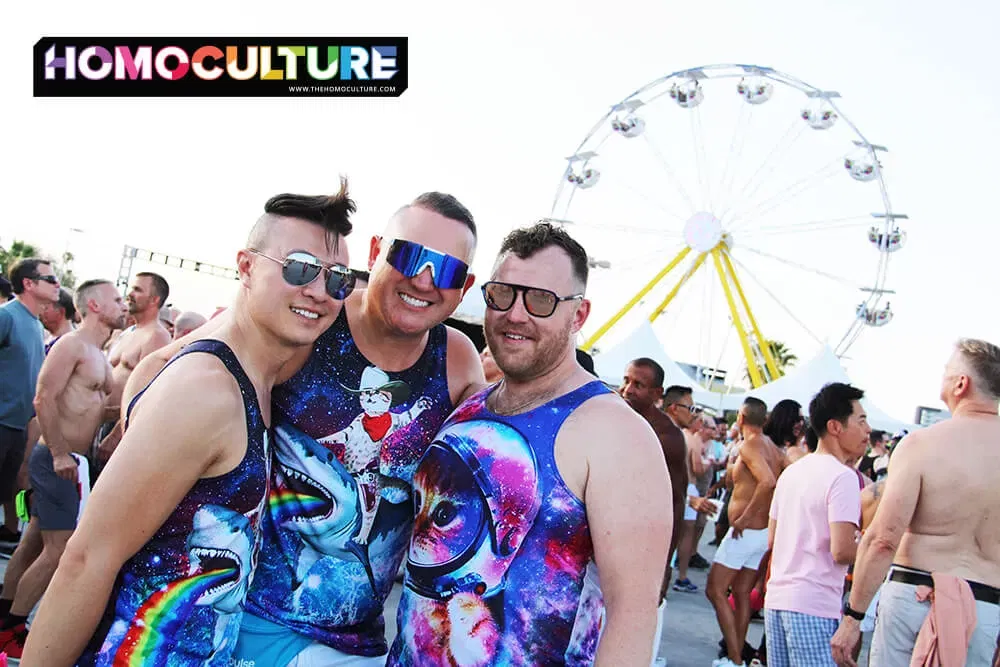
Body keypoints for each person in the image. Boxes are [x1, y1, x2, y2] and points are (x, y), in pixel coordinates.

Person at [126, 192, 486, 665]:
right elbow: (164, 363)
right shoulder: (317, 316)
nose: (423, 279)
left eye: (447, 270)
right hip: (248, 621)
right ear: (377, 252)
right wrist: (137, 459)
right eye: (410, 255)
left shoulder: (457, 361)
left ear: (465, 285)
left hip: (359, 637)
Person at [20, 183, 359, 666]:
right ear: (245, 267)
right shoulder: (206, 391)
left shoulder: (257, 373)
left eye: (338, 279)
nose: (319, 292)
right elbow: (85, 560)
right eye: (299, 268)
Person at [388, 221, 672, 666]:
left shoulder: (617, 434)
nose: (515, 314)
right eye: (503, 293)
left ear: (578, 314)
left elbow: (633, 615)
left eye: (541, 300)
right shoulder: (468, 408)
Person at [832, 339, 1000, 667]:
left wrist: (853, 618)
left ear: (961, 384)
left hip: (913, 596)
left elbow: (883, 538)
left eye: (946, 371)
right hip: (984, 608)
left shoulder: (922, 445)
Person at [0, 280, 127, 658]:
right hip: (57, 460)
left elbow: (87, 407)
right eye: (117, 300)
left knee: (34, 542)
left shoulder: (99, 353)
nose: (123, 306)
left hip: (73, 463)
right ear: (94, 305)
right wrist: (56, 454)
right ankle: (12, 630)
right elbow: (44, 397)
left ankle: (5, 616)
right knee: (58, 551)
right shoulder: (72, 345)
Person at [765, 383, 869, 667]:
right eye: (861, 421)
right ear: (835, 427)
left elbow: (772, 540)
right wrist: (874, 548)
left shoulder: (793, 472)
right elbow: (843, 551)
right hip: (814, 605)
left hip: (777, 600)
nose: (867, 430)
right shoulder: (842, 477)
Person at [706, 397, 784, 667]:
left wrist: (743, 518)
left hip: (745, 531)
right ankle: (735, 656)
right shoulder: (773, 448)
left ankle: (735, 657)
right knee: (740, 594)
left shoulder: (750, 446)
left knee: (714, 590)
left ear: (740, 418)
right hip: (760, 533)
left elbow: (768, 482)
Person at [619, 358, 687, 660]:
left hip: (641, 553)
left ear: (657, 392)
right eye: (626, 380)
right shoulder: (612, 415)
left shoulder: (667, 437)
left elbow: (675, 503)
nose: (628, 389)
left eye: (638, 385)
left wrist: (663, 568)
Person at [0, 259, 60, 546]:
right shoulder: (7, 316)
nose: (57, 284)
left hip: (16, 426)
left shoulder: (35, 324)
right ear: (28, 284)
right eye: (50, 279)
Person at [94, 271, 172, 462]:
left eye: (137, 290)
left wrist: (115, 436)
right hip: (97, 422)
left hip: (118, 428)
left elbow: (147, 392)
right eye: (131, 288)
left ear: (154, 299)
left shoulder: (157, 337)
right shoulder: (127, 332)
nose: (129, 294)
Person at [40, 287, 77, 352]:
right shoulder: (47, 337)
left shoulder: (70, 345)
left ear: (61, 311)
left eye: (45, 308)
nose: (40, 311)